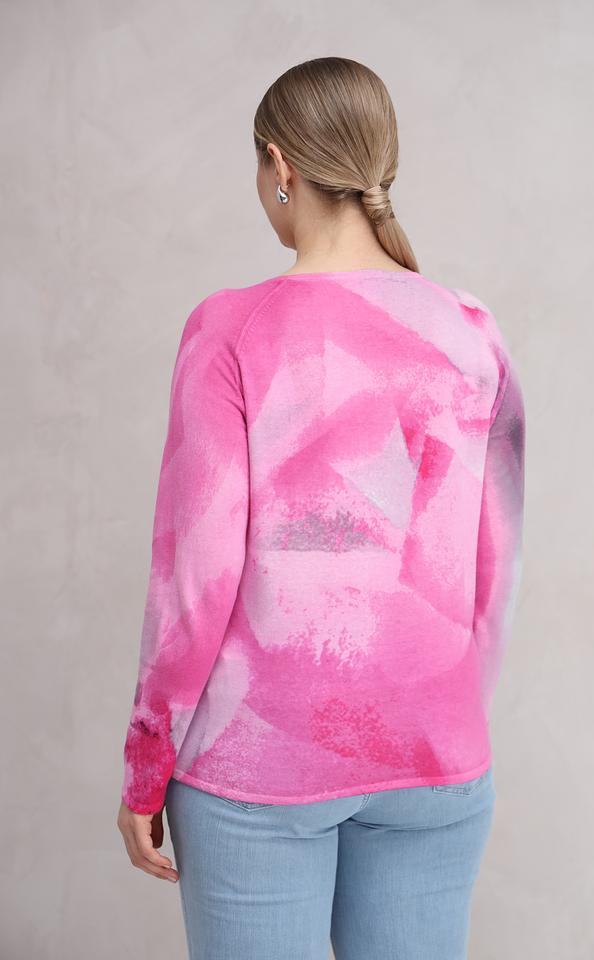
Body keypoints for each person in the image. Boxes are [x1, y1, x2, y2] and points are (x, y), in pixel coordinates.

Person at [117, 56, 526, 960]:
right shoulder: (470, 329)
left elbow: (197, 578)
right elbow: (495, 565)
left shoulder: (230, 328)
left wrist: (148, 761)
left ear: (280, 164)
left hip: (259, 769)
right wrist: (445, 718)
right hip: (437, 761)